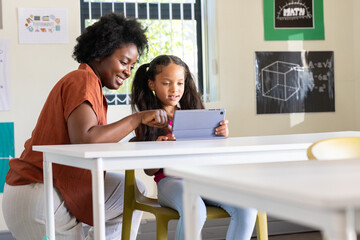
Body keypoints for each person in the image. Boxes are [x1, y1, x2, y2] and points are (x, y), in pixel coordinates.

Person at [2, 13, 170, 240]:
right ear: (100, 53)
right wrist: (136, 119)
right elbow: (87, 139)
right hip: (38, 192)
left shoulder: (91, 86)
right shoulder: (82, 80)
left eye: (132, 65)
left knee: (133, 192)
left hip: (40, 191)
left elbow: (93, 143)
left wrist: (136, 139)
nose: (128, 72)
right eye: (123, 62)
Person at [130, 55, 257, 240]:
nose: (175, 89)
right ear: (152, 84)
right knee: (195, 209)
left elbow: (211, 156)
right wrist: (161, 151)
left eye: (180, 83)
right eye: (167, 83)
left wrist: (220, 136)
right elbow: (149, 171)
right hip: (170, 182)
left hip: (202, 178)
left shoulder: (193, 115)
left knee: (247, 206)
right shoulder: (146, 119)